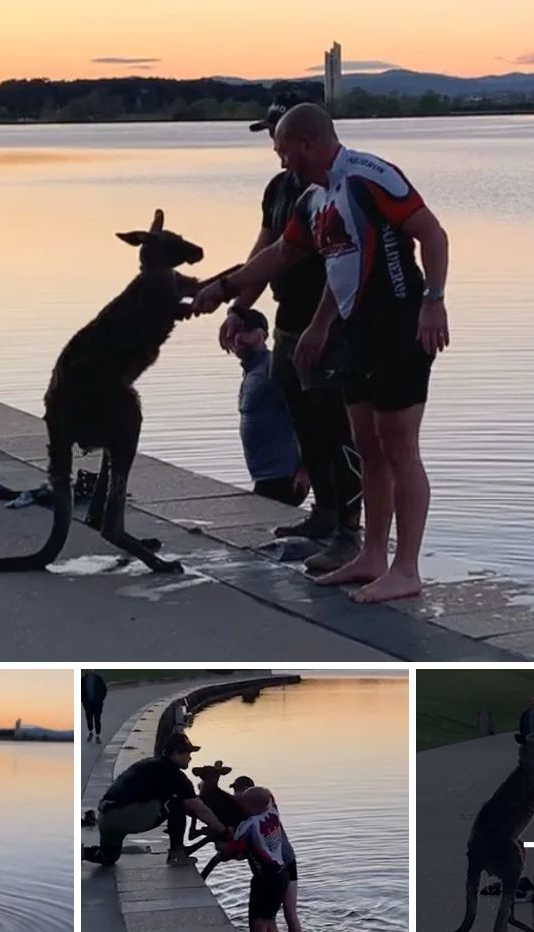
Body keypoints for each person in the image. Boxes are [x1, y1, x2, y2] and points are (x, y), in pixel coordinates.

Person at [195, 103, 450, 603]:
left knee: (399, 449)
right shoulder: (314, 199)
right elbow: (283, 256)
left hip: (398, 325)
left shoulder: (369, 176)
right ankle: (372, 555)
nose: (280, 159)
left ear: (307, 143)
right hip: (354, 333)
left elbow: (432, 234)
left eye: (283, 150)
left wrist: (433, 302)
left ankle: (407, 568)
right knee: (368, 449)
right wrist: (225, 287)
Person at [220, 92, 362, 575]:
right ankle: (321, 513)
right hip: (287, 319)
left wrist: (323, 326)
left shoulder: (337, 188)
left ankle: (350, 529)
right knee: (302, 418)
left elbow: (340, 266)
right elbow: (268, 251)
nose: (275, 151)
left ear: (302, 137)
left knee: (334, 423)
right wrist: (239, 306)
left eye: (279, 139)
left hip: (333, 323)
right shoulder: (280, 189)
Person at [82, 732, 233, 867]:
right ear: (176, 753)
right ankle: (177, 854)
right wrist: (223, 830)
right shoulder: (175, 775)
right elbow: (199, 808)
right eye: (188, 753)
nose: (190, 757)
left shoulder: (148, 764)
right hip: (126, 816)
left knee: (109, 857)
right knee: (178, 802)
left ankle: (83, 853)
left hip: (106, 816)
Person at [231, 307, 308, 506]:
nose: (238, 337)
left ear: (263, 335)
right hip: (264, 477)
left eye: (247, 331)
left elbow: (307, 415)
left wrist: (305, 470)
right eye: (235, 331)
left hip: (284, 477)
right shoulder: (251, 370)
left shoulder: (273, 368)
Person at [231, 775, 303, 932]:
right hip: (288, 862)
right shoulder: (271, 809)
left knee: (277, 916)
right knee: (287, 914)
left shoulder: (250, 821)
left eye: (238, 794)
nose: (236, 797)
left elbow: (238, 850)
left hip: (278, 869)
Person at [81, 670, 108, 743]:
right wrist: (83, 700)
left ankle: (98, 736)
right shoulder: (82, 680)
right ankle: (90, 732)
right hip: (87, 703)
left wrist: (101, 698)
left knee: (97, 719)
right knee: (89, 718)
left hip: (97, 703)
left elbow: (104, 689)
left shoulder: (98, 678)